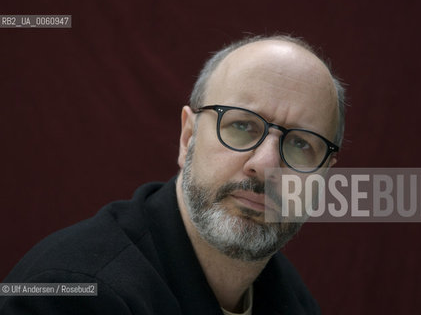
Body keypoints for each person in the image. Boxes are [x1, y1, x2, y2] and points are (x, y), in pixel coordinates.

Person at [0, 35, 345, 315]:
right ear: (187, 137)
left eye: (301, 144)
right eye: (242, 125)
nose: (266, 164)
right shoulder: (75, 296)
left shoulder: (290, 298)